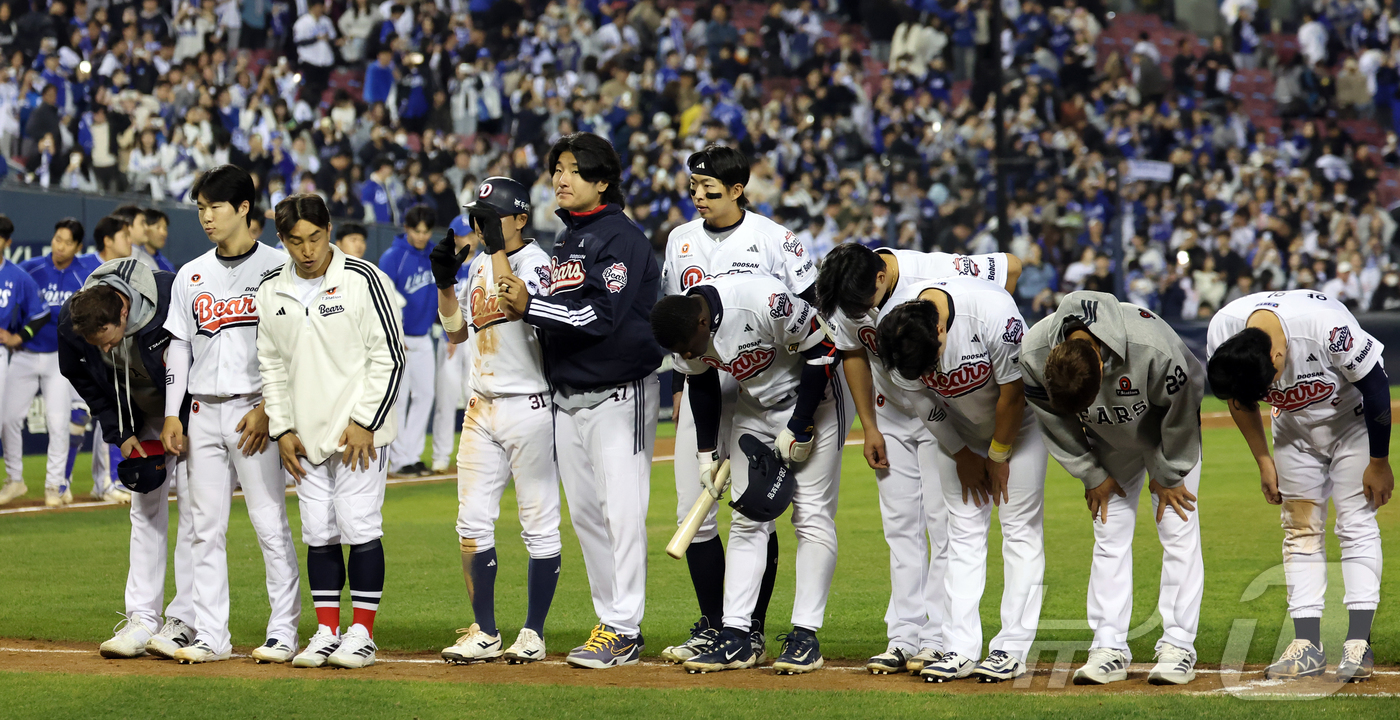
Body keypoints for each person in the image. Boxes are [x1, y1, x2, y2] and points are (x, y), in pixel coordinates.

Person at [814, 242, 1020, 675]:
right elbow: (852, 353)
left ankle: (939, 638)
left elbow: (1011, 268)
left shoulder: (930, 269)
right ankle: (903, 635)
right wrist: (868, 425)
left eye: (859, 306)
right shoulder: (849, 292)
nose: (855, 314)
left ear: (881, 277)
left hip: (942, 410)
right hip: (891, 414)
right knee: (900, 528)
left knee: (944, 526)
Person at [497, 132, 663, 669]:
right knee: (589, 518)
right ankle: (610, 623)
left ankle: (625, 627)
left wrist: (531, 307)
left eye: (573, 169)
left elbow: (601, 316)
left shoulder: (622, 237)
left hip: (619, 393)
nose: (560, 178)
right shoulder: (567, 239)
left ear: (603, 181)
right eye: (558, 169)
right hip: (569, 397)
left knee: (622, 515)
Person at [658, 144, 819, 665]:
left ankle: (749, 629)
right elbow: (676, 320)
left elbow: (810, 312)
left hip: (765, 381)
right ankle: (715, 626)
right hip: (704, 380)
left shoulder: (775, 238)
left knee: (757, 508)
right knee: (694, 506)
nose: (698, 197)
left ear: (737, 190)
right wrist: (684, 383)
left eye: (709, 189)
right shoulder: (680, 240)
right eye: (693, 188)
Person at [651, 272, 847, 674]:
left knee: (810, 515)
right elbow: (701, 384)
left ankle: (805, 635)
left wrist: (800, 424)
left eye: (689, 347)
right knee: (747, 518)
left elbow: (825, 350)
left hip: (817, 398)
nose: (686, 354)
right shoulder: (683, 329)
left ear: (702, 322)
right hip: (755, 405)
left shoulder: (763, 300)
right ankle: (737, 635)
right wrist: (707, 454)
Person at [1019, 291, 1205, 686]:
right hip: (1106, 443)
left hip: (1166, 436)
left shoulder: (1151, 345)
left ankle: (1178, 646)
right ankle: (1109, 647)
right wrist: (1091, 473)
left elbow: (1185, 403)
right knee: (1109, 533)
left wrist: (1170, 472)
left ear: (1102, 365)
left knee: (1177, 528)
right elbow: (1054, 422)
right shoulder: (1034, 352)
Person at [1206, 290, 1391, 683]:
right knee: (1299, 529)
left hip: (1351, 423)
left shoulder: (1324, 327)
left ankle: (1358, 642)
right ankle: (1307, 644)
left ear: (1277, 355)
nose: (1264, 394)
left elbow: (1376, 385)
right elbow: (1241, 399)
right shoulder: (1224, 328)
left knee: (1356, 524)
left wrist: (1378, 461)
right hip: (1292, 430)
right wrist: (1263, 459)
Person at [157, 166, 301, 665]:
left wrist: (270, 408)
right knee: (203, 529)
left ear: (243, 208)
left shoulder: (279, 267)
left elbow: (295, 346)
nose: (206, 217)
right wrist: (173, 413)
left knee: (269, 524)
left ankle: (283, 631)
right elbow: (179, 347)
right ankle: (211, 634)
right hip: (201, 411)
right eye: (200, 208)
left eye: (215, 207)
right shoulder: (191, 273)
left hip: (255, 413)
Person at [874, 275, 1048, 683]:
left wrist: (998, 454)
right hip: (958, 432)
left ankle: (1011, 649)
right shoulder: (896, 336)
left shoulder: (992, 314)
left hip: (1020, 429)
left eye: (932, 362)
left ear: (940, 329)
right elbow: (924, 404)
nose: (930, 372)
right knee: (962, 534)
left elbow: (1014, 393)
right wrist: (962, 454)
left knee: (1019, 531)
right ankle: (959, 647)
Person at [258, 193, 405, 670]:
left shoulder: (363, 279)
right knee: (318, 533)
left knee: (360, 527)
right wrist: (281, 428)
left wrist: (365, 422)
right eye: (295, 240)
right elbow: (271, 365)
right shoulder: (271, 288)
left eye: (315, 238)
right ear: (281, 239)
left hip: (357, 434)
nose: (307, 250)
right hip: (304, 436)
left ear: (329, 232)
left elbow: (390, 357)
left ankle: (362, 634)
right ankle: (326, 631)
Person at [430, 178, 561, 664]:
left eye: (490, 217)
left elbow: (515, 305)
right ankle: (484, 631)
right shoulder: (480, 263)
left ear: (521, 219)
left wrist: (496, 249)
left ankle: (533, 632)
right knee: (470, 523)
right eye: (476, 216)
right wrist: (446, 284)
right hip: (481, 405)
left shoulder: (537, 263)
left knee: (539, 524)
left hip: (529, 404)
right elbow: (457, 333)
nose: (479, 225)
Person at [58, 253, 196, 661]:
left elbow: (204, 357)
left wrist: (183, 419)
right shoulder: (73, 320)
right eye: (96, 344)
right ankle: (141, 619)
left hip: (190, 409)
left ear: (123, 309)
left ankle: (186, 621)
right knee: (144, 510)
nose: (105, 348)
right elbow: (80, 376)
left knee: (196, 512)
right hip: (139, 416)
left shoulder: (170, 295)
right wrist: (121, 433)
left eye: (108, 338)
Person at [0, 214, 55, 506]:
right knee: (8, 419)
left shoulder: (17, 276)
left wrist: (19, 337)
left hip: (3, 354)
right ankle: (14, 479)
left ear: (7, 242)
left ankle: (18, 479)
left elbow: (40, 313)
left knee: (6, 418)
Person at [378, 203, 437, 477]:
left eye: (426, 231)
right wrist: (392, 333)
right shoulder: (393, 257)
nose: (421, 236)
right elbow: (384, 298)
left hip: (423, 337)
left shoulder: (435, 254)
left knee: (425, 396)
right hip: (399, 339)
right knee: (399, 400)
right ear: (406, 228)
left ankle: (412, 455)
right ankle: (400, 459)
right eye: (417, 231)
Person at [84, 215, 137, 505]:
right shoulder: (85, 266)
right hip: (87, 352)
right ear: (107, 240)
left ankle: (109, 481)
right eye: (124, 236)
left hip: (119, 352)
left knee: (120, 411)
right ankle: (105, 482)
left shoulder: (131, 270)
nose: (130, 241)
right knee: (95, 414)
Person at [428, 214, 472, 474]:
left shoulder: (483, 262)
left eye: (472, 233)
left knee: (475, 398)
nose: (470, 238)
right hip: (451, 337)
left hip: (476, 338)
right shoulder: (446, 262)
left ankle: (473, 455)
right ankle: (441, 457)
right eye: (464, 234)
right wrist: (448, 335)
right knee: (446, 399)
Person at [133, 208, 176, 272]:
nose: (163, 233)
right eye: (158, 227)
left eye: (165, 228)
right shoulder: (133, 256)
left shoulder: (166, 265)